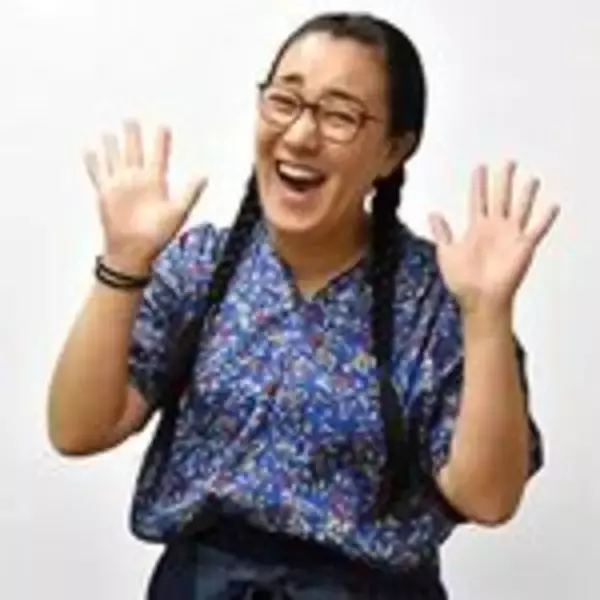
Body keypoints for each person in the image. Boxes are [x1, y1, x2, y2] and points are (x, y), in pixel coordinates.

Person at [46, 11, 559, 600]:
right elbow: (77, 429)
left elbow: (488, 498)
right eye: (284, 102)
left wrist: (487, 317)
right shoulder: (201, 267)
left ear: (393, 150)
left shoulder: (433, 298)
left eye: (339, 115)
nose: (299, 135)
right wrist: (123, 264)